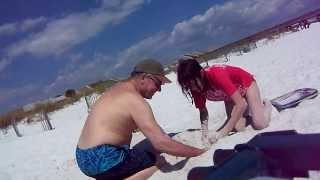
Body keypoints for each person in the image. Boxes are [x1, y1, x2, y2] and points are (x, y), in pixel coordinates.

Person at [76, 59, 207, 180]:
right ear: (145, 78)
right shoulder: (135, 100)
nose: (159, 89)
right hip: (105, 159)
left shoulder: (116, 89)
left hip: (82, 158)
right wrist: (197, 152)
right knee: (153, 159)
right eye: (158, 83)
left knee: (135, 155)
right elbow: (160, 143)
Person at [176, 58, 271, 146]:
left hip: (246, 85)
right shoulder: (194, 87)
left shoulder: (216, 74)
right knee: (239, 127)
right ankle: (250, 109)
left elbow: (240, 105)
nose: (193, 88)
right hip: (230, 97)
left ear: (201, 73)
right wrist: (204, 134)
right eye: (188, 86)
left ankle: (267, 105)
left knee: (259, 124)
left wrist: (222, 133)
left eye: (193, 84)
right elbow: (203, 111)